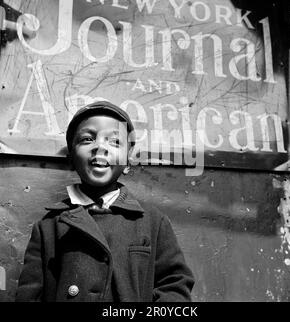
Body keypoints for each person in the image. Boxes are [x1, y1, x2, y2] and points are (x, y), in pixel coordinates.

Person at [16, 101, 195, 302]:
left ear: (128, 161)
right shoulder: (48, 227)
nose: (100, 147)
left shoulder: (153, 222)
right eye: (87, 139)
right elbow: (29, 296)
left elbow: (175, 286)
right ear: (71, 156)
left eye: (115, 142)